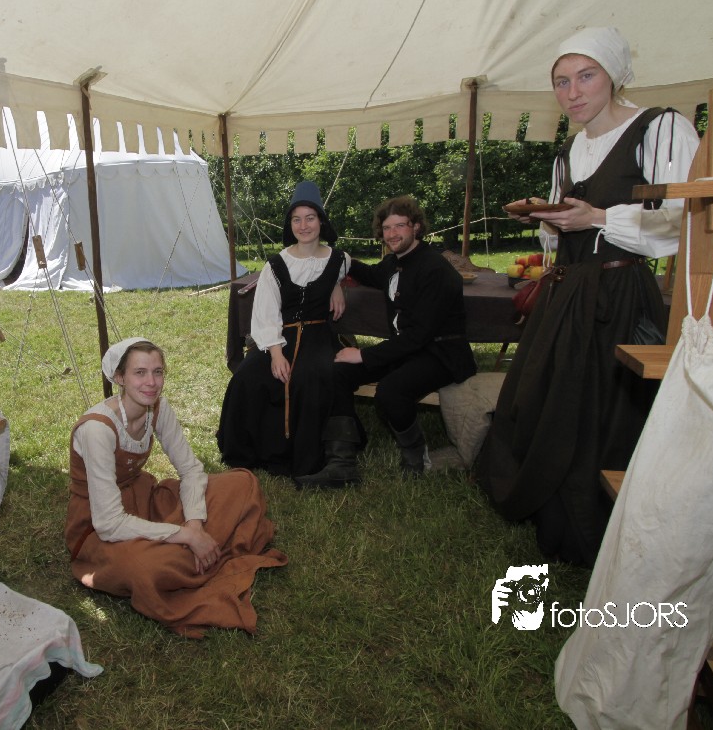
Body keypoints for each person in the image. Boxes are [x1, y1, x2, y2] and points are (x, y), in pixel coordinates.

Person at [475, 27, 700, 566]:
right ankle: (547, 503)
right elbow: (566, 227)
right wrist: (548, 218)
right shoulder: (570, 150)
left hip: (620, 294)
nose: (572, 92)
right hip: (567, 292)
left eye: (585, 76)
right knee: (547, 397)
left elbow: (683, 219)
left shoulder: (659, 129)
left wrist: (599, 217)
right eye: (561, 81)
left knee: (602, 407)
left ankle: (598, 522)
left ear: (614, 76)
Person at [65, 337, 288, 639]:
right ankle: (193, 551)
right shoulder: (97, 430)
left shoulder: (158, 408)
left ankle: (193, 550)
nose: (151, 382)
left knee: (241, 482)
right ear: (120, 378)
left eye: (157, 372)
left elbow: (191, 470)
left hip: (145, 500)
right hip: (98, 525)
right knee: (144, 567)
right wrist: (185, 535)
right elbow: (109, 523)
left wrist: (194, 524)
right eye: (140, 373)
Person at [297, 195, 477, 487]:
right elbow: (369, 274)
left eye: (400, 226)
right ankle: (342, 461)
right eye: (387, 228)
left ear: (416, 227)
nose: (392, 233)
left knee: (391, 391)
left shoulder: (435, 269)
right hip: (408, 350)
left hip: (441, 354)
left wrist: (365, 355)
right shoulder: (394, 263)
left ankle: (416, 457)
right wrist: (336, 263)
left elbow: (420, 335)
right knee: (337, 371)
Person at [217, 181, 347, 481]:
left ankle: (309, 457)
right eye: (296, 219)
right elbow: (265, 312)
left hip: (318, 336)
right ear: (290, 225)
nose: (304, 225)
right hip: (280, 335)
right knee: (248, 376)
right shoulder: (276, 264)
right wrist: (276, 353)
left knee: (311, 377)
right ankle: (249, 450)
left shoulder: (339, 259)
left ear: (321, 221)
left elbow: (348, 272)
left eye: (310, 218)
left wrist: (337, 285)